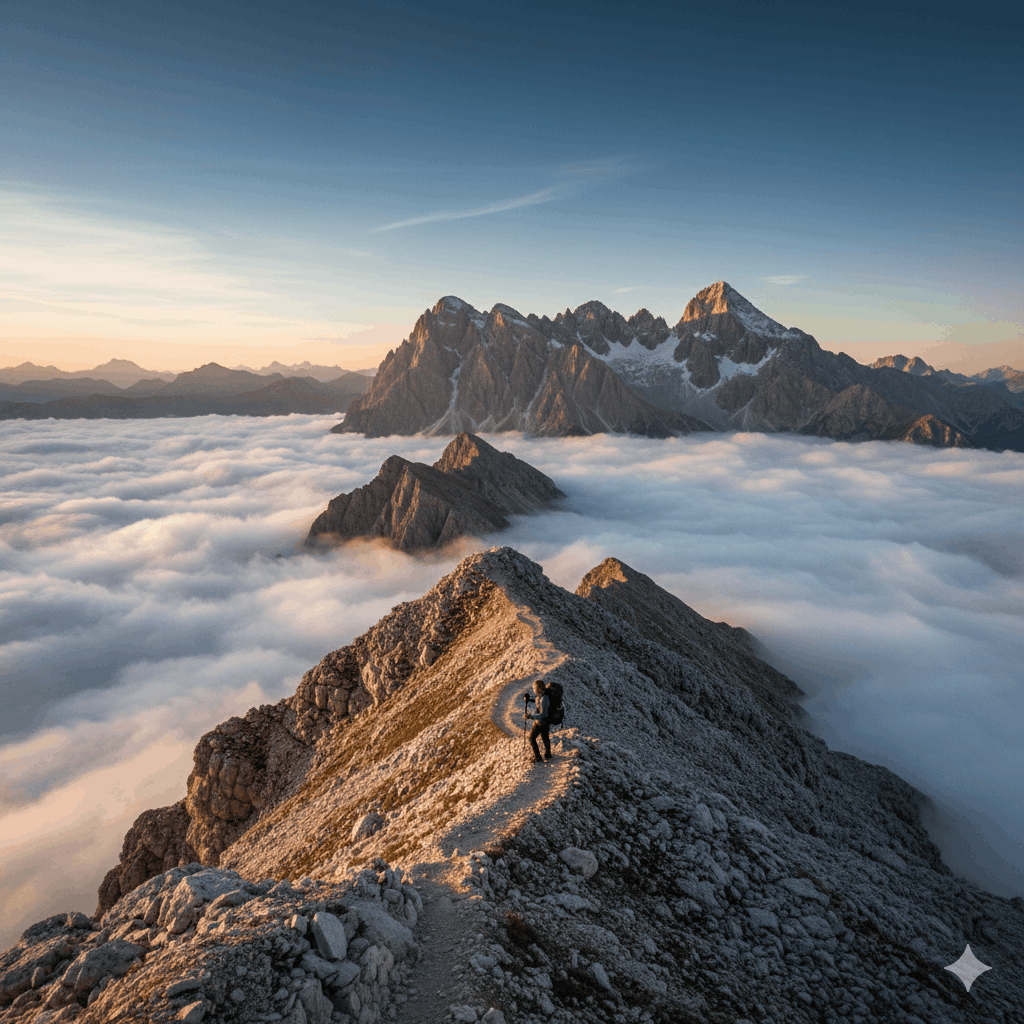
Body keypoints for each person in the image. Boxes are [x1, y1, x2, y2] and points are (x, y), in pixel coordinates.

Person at [526, 679, 552, 763]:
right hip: (546, 722)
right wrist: (529, 699)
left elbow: (543, 714)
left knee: (531, 738)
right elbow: (537, 700)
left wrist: (531, 716)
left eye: (534, 688)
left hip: (541, 722)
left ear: (538, 688)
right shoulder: (542, 696)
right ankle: (548, 754)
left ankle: (538, 757)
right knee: (545, 738)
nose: (534, 690)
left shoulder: (544, 698)